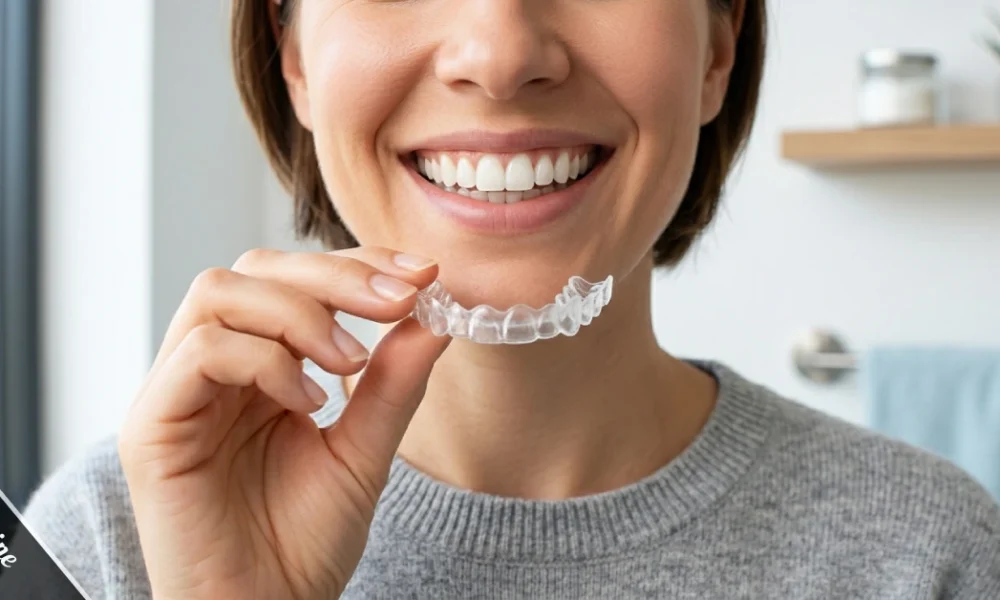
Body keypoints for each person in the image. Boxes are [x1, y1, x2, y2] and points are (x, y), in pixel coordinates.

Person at [23, 0, 1000, 598]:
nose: (498, 52)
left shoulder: (930, 552)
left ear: (716, 46)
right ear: (295, 60)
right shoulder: (100, 542)